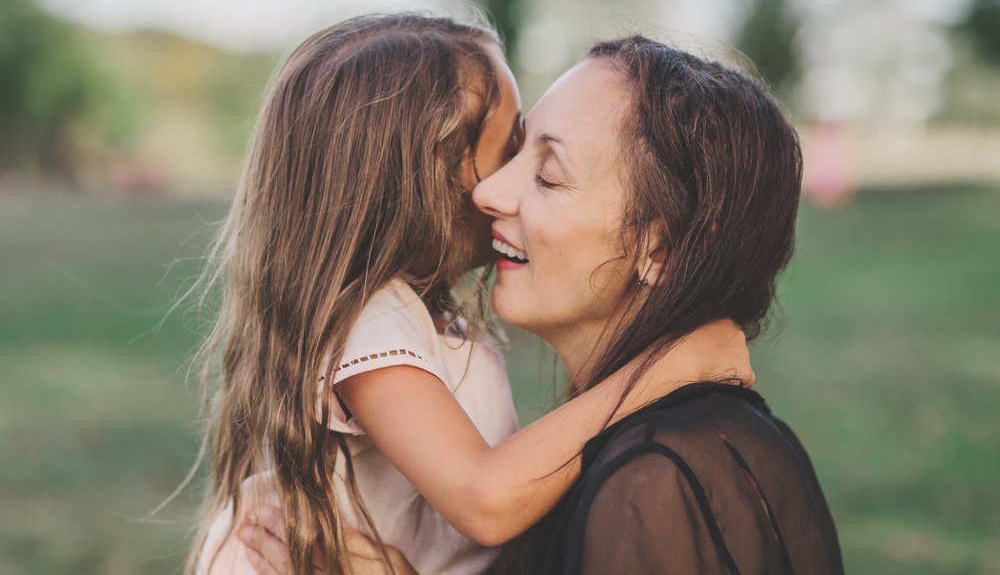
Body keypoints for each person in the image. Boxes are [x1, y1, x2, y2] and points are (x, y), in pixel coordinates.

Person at [237, 36, 844, 574]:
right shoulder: (656, 448)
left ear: (658, 246)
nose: (487, 191)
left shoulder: (654, 483)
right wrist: (665, 370)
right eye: (511, 152)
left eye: (547, 175)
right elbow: (484, 498)